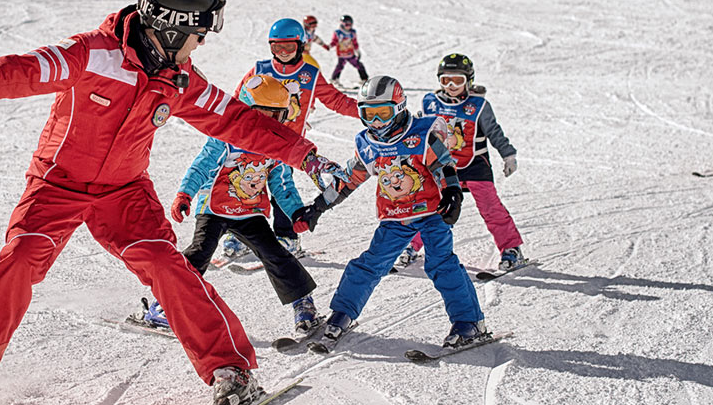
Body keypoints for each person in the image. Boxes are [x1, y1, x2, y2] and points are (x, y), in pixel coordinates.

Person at [0, 0, 347, 405]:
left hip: (124, 193)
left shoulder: (179, 78)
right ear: (171, 30)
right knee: (21, 258)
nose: (201, 45)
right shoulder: (92, 53)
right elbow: (25, 70)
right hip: (57, 184)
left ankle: (231, 372)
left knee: (167, 264)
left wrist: (306, 155)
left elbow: (236, 121)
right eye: (197, 36)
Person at [301, 75, 485, 351]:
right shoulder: (368, 143)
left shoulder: (422, 134)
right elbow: (347, 180)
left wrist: (452, 193)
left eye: (383, 113)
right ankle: (343, 314)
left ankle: (469, 322)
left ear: (398, 108)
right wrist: (318, 207)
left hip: (431, 213)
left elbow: (444, 166)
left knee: (441, 264)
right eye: (368, 114)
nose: (376, 121)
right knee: (369, 265)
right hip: (395, 217)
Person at [137, 74, 327, 339]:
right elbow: (201, 166)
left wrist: (296, 212)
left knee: (276, 254)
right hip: (213, 209)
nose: (269, 124)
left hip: (250, 212)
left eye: (277, 117)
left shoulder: (277, 146)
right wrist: (185, 195)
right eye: (263, 116)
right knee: (200, 253)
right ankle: (165, 306)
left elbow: (282, 184)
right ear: (246, 112)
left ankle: (303, 306)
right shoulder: (225, 138)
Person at [221, 18, 359, 259]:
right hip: (255, 142)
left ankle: (287, 237)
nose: (283, 53)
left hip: (288, 145)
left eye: (289, 48)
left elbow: (336, 100)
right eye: (277, 48)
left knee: (281, 190)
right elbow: (239, 99)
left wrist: (368, 111)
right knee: (247, 186)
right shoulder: (260, 69)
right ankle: (242, 234)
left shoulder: (310, 75)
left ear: (301, 45)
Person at [397, 54, 526, 273]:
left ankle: (511, 249)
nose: (451, 86)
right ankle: (411, 245)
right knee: (428, 206)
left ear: (469, 81)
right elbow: (422, 132)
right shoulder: (430, 102)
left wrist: (508, 155)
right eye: (446, 80)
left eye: (457, 80)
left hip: (475, 165)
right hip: (441, 167)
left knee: (490, 207)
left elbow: (495, 133)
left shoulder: (479, 105)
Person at [329, 14, 369, 87]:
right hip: (342, 54)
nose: (348, 27)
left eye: (350, 25)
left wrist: (357, 50)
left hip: (350, 53)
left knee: (359, 65)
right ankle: (334, 79)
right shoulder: (338, 33)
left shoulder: (352, 32)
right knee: (340, 66)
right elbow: (334, 41)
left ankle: (364, 79)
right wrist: (331, 45)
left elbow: (354, 42)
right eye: (346, 25)